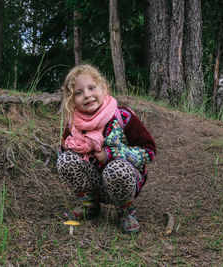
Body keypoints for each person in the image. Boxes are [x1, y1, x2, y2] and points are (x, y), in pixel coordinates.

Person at [56, 64, 156, 234]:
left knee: (117, 168)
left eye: (91, 88)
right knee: (65, 160)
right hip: (94, 182)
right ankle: (90, 205)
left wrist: (110, 154)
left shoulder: (122, 116)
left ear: (103, 88)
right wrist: (68, 148)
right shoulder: (73, 124)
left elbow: (149, 151)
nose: (87, 95)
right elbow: (65, 155)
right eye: (78, 93)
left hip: (122, 180)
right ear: (71, 100)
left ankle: (126, 211)